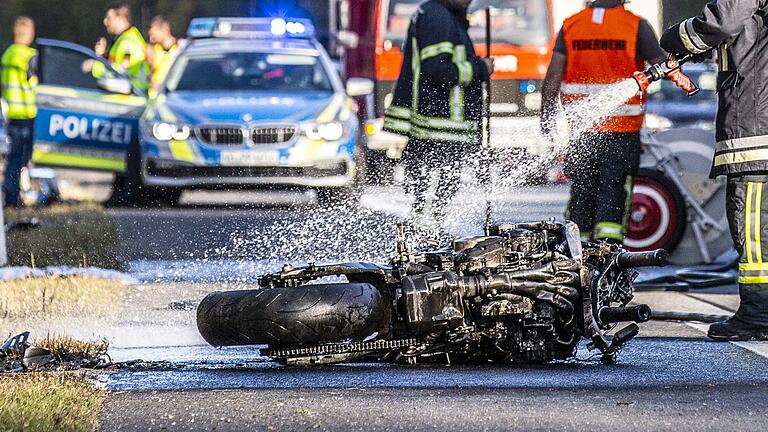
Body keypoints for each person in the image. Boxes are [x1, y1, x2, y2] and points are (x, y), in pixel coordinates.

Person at [661, 0, 768, 341]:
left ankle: (758, 312)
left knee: (752, 224)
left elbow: (722, 23)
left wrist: (674, 39)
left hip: (756, 128)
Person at [540, 0, 665, 242]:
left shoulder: (572, 26)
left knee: (582, 191)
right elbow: (661, 65)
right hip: (622, 132)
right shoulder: (635, 26)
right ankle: (608, 252)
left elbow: (553, 75)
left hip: (583, 132)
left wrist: (546, 117)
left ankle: (579, 254)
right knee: (614, 190)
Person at [382, 0, 493, 240]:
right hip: (439, 127)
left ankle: (427, 235)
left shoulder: (442, 14)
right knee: (432, 190)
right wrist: (480, 67)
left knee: (439, 190)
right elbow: (438, 69)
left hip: (443, 128)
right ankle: (425, 239)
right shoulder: (438, 16)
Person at [1, 17, 38, 207]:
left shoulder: (7, 54)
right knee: (22, 159)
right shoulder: (29, 56)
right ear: (29, 33)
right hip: (26, 113)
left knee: (13, 159)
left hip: (11, 115)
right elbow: (35, 84)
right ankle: (15, 198)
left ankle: (11, 196)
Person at [84, 2, 150, 92]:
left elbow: (120, 74)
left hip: (131, 97)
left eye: (109, 18)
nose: (105, 21)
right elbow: (115, 65)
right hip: (127, 95)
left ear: (121, 19)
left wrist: (94, 65)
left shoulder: (128, 43)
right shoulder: (124, 38)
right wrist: (101, 56)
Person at [147, 15, 180, 95]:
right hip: (153, 97)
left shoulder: (179, 50)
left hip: (171, 95)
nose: (151, 39)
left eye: (154, 35)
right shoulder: (153, 50)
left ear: (165, 31)